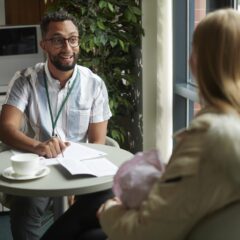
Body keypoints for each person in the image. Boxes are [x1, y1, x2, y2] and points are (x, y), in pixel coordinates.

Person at [41, 8, 240, 240]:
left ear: (198, 63)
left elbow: (146, 231)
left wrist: (110, 210)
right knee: (93, 209)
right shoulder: (230, 124)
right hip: (191, 224)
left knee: (88, 223)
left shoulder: (207, 138)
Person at [0, 9, 112, 240]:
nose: (68, 48)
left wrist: (82, 182)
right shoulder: (25, 80)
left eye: (73, 39)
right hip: (38, 167)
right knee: (25, 209)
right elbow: (6, 129)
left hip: (79, 168)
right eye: (58, 40)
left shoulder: (94, 84)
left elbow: (98, 143)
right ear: (44, 45)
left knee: (104, 204)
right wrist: (39, 146)